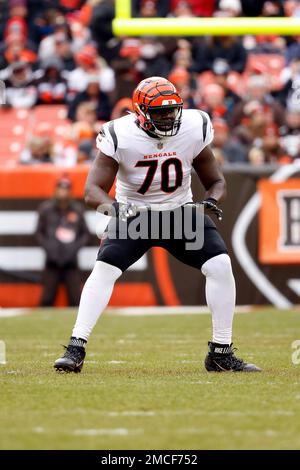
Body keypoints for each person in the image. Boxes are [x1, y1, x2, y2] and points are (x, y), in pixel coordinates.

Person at [54, 76, 261, 373]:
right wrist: (114, 210)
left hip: (177, 212)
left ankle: (221, 352)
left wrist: (212, 199)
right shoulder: (119, 134)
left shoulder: (194, 125)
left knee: (219, 265)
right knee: (105, 270)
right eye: (159, 112)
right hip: (135, 215)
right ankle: (75, 348)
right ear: (140, 112)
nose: (167, 117)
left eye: (171, 110)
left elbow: (216, 181)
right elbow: (91, 192)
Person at [36, 177, 90, 307]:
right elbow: (38, 233)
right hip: (51, 261)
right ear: (55, 190)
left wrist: (74, 248)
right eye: (60, 188)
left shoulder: (77, 209)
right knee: (47, 298)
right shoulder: (46, 209)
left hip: (71, 261)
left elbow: (85, 233)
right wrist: (49, 248)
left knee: (75, 299)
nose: (62, 192)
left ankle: (76, 327)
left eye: (66, 189)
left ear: (70, 191)